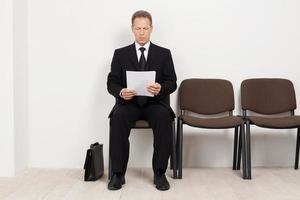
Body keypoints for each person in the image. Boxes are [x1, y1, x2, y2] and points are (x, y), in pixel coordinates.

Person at [107, 10, 177, 191]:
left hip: (155, 103)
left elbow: (172, 82)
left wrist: (161, 88)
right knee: (118, 118)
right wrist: (121, 91)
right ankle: (117, 173)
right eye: (138, 28)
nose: (142, 32)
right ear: (132, 29)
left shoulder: (164, 54)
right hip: (129, 103)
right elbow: (112, 82)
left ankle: (160, 173)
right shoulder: (120, 54)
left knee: (164, 118)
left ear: (151, 29)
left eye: (145, 28)